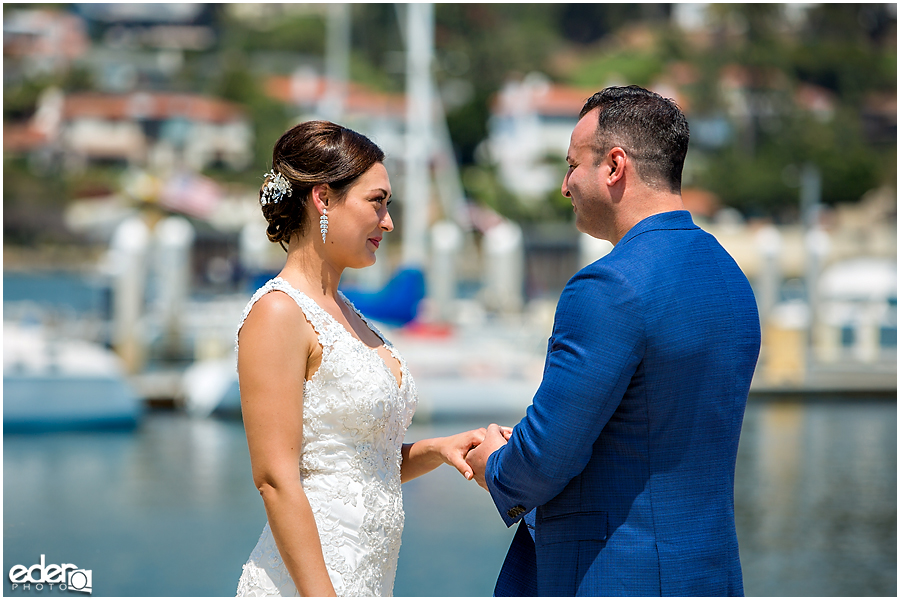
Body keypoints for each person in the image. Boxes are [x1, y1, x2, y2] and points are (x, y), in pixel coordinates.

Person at [466, 85, 761, 596]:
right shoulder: (729, 277)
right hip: (709, 576)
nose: (565, 186)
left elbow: (540, 463)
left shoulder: (608, 286)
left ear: (614, 166)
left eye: (572, 165)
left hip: (617, 577)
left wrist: (493, 462)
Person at [234, 120, 487, 597]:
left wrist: (436, 450)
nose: (389, 222)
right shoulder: (277, 313)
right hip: (309, 585)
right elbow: (274, 479)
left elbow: (358, 468)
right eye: (378, 201)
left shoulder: (352, 315)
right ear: (324, 199)